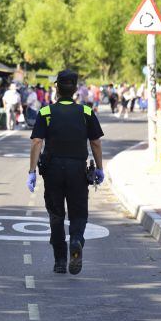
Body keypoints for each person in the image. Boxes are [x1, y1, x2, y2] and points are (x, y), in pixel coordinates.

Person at [27, 69, 104, 275]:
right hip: (78, 170)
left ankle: (60, 261)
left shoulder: (46, 112)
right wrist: (100, 168)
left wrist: (32, 171)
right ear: (76, 89)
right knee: (78, 213)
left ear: (57, 89)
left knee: (56, 215)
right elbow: (95, 142)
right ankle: (77, 240)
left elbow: (37, 142)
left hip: (53, 170)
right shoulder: (86, 112)